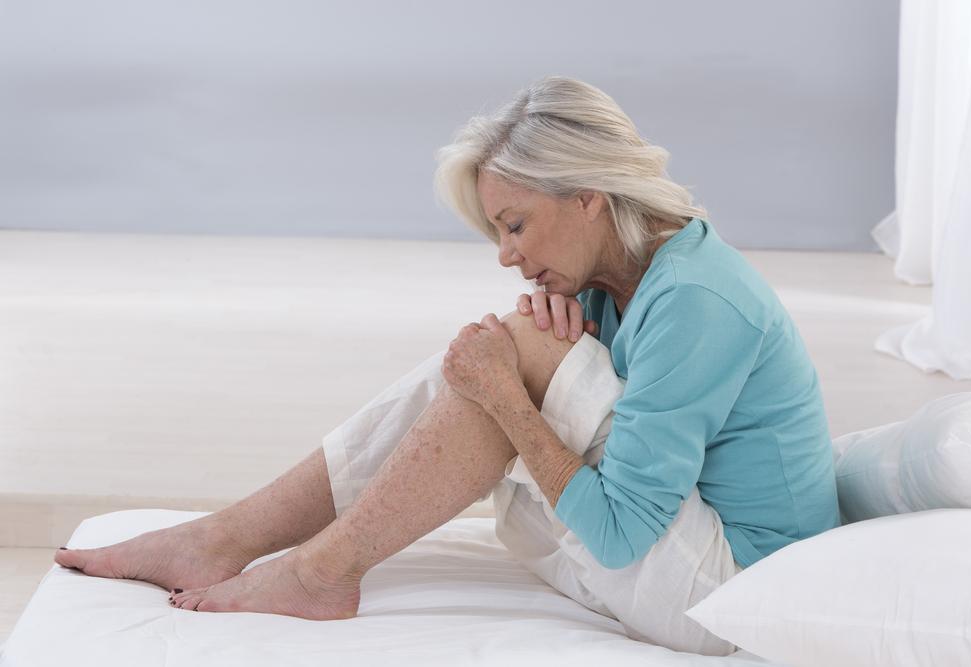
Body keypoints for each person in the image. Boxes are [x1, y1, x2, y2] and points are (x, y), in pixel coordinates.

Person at [52, 76, 840, 656]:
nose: (507, 255)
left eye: (516, 224)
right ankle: (240, 541)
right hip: (668, 565)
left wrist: (513, 397)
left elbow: (620, 533)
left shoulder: (701, 298)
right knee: (498, 351)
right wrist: (511, 378)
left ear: (589, 194)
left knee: (503, 359)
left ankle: (306, 565)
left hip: (725, 595)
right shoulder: (614, 279)